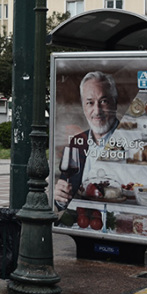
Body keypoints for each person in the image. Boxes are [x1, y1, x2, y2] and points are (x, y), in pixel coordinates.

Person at [54, 71, 120, 209]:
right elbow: (64, 199)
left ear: (115, 103)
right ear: (84, 107)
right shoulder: (77, 142)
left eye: (104, 101)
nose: (97, 111)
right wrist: (61, 198)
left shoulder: (131, 138)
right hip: (85, 223)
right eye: (90, 103)